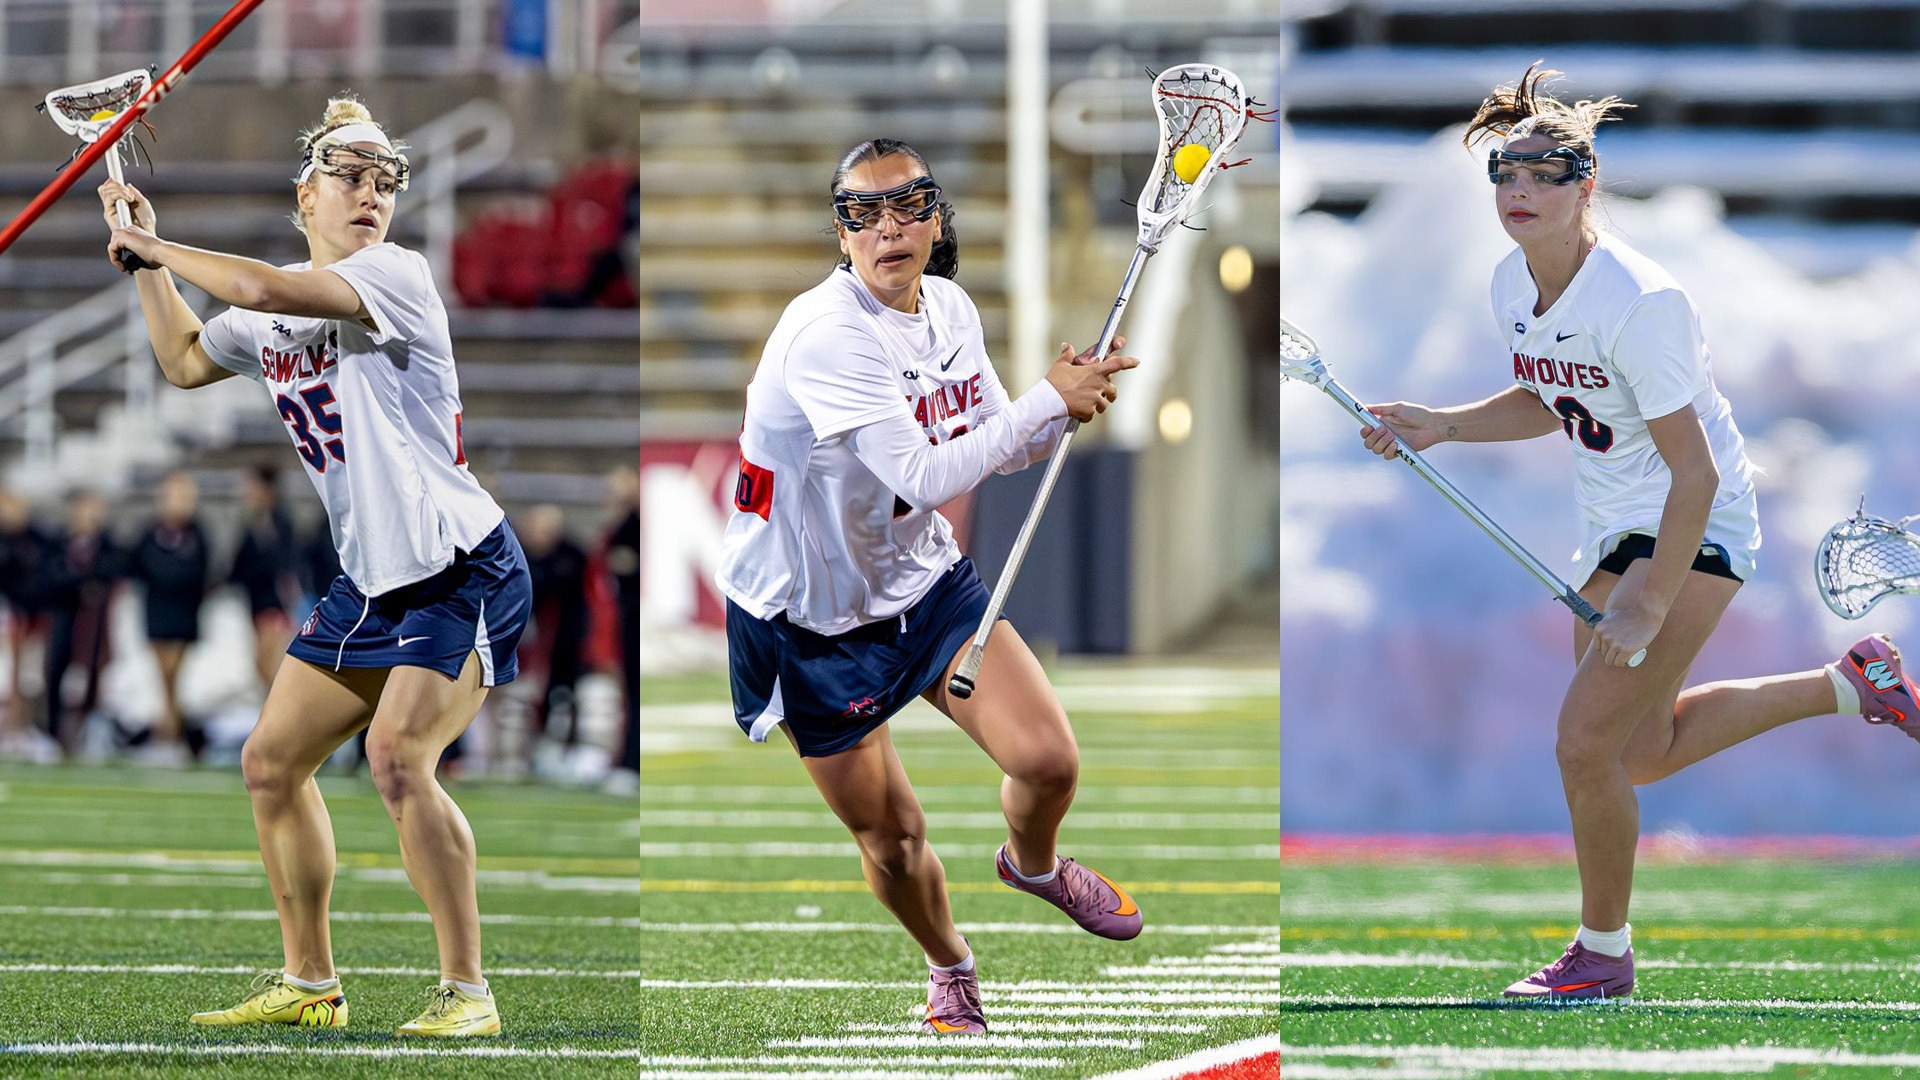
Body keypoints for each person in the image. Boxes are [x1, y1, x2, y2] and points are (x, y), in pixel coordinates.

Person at [1356, 65, 1919, 1001]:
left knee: (1583, 744)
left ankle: (1604, 954)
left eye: (1545, 171)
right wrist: (1442, 423)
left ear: (1587, 184)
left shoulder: (1639, 300)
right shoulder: (1513, 282)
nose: (1521, 190)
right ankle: (1848, 683)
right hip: (1615, 523)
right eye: (1507, 172)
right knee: (1638, 752)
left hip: (1693, 524)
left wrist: (1652, 603)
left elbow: (1694, 475)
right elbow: (1553, 396)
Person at [98, 94, 530, 1037]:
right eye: (351, 175)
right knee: (269, 761)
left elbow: (258, 291)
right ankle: (310, 984)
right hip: (371, 578)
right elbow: (179, 357)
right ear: (306, 191)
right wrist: (143, 248)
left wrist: (163, 253)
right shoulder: (272, 313)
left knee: (398, 758)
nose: (371, 194)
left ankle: (469, 993)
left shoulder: (397, 276)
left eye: (386, 181)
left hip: (460, 567)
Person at [715, 138, 1144, 1036]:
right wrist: (1042, 403)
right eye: (861, 213)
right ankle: (949, 967)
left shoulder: (948, 307)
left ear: (936, 217)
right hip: (809, 622)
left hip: (919, 579)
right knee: (895, 839)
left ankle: (1031, 866)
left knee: (1048, 760)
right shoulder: (827, 334)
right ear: (840, 235)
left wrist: (1065, 400)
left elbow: (998, 436)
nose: (887, 228)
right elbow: (919, 472)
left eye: (907, 205)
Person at [127, 469, 211, 765]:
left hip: (184, 612)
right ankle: (170, 735)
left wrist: (169, 574)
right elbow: (139, 564)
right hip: (157, 610)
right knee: (163, 676)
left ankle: (170, 735)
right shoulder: (151, 532)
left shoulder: (196, 533)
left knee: (173, 674)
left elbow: (199, 572)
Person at [40, 490, 119, 755]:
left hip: (96, 619)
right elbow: (52, 575)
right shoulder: (59, 541)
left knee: (94, 673)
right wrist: (81, 585)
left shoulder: (106, 543)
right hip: (65, 615)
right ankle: (53, 733)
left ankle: (88, 732)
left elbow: (112, 570)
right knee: (55, 672)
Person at [517, 503, 589, 772]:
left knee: (567, 694)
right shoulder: (525, 556)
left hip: (567, 641)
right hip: (533, 641)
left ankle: (566, 749)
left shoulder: (571, 556)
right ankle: (531, 750)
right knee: (530, 697)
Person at [228, 465, 300, 694]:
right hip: (256, 603)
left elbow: (282, 564)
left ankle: (280, 718)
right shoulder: (250, 525)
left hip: (274, 603)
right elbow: (239, 566)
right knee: (260, 666)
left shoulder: (279, 524)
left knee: (267, 664)